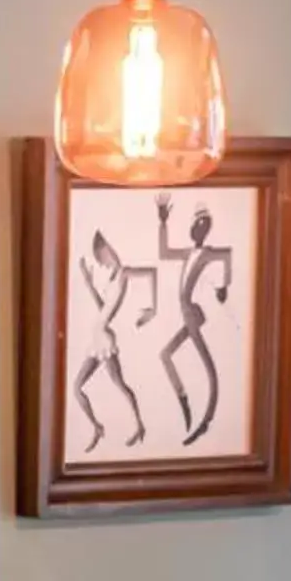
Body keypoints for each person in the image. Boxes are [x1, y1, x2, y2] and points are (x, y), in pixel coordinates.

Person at [155, 194, 234, 446]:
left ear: (207, 228)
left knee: (208, 367)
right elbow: (164, 252)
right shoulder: (189, 252)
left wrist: (224, 286)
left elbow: (227, 255)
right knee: (165, 354)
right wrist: (163, 222)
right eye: (197, 225)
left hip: (191, 313)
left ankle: (207, 418)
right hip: (190, 313)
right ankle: (184, 399)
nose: (199, 229)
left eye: (204, 226)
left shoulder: (209, 253)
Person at [70, 231, 152, 452]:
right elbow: (102, 310)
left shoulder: (123, 273)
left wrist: (153, 308)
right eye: (101, 258)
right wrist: (89, 283)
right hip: (96, 338)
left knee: (120, 385)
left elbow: (151, 272)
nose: (104, 261)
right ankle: (97, 427)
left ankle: (140, 425)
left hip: (104, 339)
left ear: (108, 250)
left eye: (102, 256)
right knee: (77, 388)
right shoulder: (114, 276)